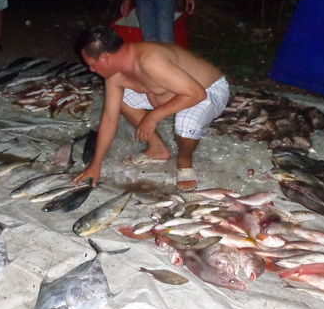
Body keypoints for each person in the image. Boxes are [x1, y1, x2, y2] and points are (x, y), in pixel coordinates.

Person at [71, 26, 229, 190]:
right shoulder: (115, 74)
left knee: (185, 122)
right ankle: (157, 149)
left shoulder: (150, 61)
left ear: (104, 57)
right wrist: (95, 164)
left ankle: (184, 161)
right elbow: (110, 117)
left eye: (91, 64)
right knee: (122, 100)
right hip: (173, 92)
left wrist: (153, 116)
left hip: (208, 90)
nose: (91, 70)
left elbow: (197, 94)